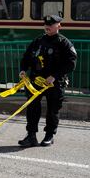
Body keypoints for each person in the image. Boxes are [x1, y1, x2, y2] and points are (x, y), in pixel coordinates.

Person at [17, 14, 77, 147]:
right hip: (36, 81)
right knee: (32, 108)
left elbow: (71, 63)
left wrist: (54, 76)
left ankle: (49, 135)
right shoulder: (38, 40)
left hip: (54, 83)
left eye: (51, 25)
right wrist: (23, 69)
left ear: (59, 26)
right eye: (46, 25)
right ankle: (31, 136)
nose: (47, 27)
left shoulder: (64, 43)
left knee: (52, 110)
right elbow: (26, 57)